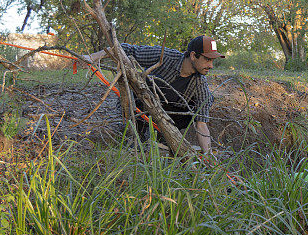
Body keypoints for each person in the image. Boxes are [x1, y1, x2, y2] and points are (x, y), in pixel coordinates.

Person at [83, 35, 224, 153]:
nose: (211, 65)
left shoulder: (201, 85)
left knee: (205, 101)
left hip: (167, 118)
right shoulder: (166, 57)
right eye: (207, 59)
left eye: (212, 60)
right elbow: (126, 49)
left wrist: (208, 156)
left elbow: (201, 124)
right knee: (134, 142)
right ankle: (134, 134)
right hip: (139, 106)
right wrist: (93, 57)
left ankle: (163, 137)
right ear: (193, 55)